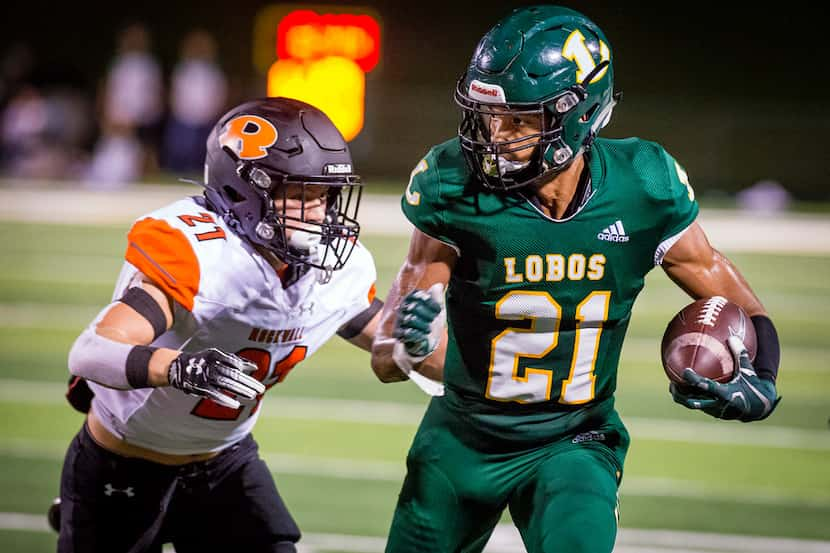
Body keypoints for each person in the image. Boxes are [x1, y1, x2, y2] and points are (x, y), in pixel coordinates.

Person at [370, 6, 782, 553]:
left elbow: (725, 288)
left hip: (576, 439)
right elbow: (385, 356)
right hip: (464, 437)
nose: (497, 134)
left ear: (579, 114)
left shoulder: (641, 183)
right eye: (490, 116)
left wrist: (766, 374)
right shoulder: (452, 184)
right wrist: (406, 342)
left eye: (520, 119)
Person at [56, 96, 382, 553]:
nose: (318, 211)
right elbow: (91, 352)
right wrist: (180, 368)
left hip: (225, 463)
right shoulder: (199, 249)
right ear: (244, 190)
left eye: (324, 194)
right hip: (122, 464)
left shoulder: (334, 267)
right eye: (301, 193)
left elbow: (401, 346)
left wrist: (426, 331)